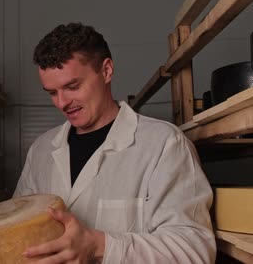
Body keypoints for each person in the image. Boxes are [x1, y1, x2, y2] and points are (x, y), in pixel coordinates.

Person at [12, 23, 215, 263]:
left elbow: (194, 250)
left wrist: (100, 245)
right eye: (52, 92)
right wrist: (1, 228)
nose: (62, 102)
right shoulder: (41, 150)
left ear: (106, 71)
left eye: (72, 86)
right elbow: (22, 231)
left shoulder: (163, 144)